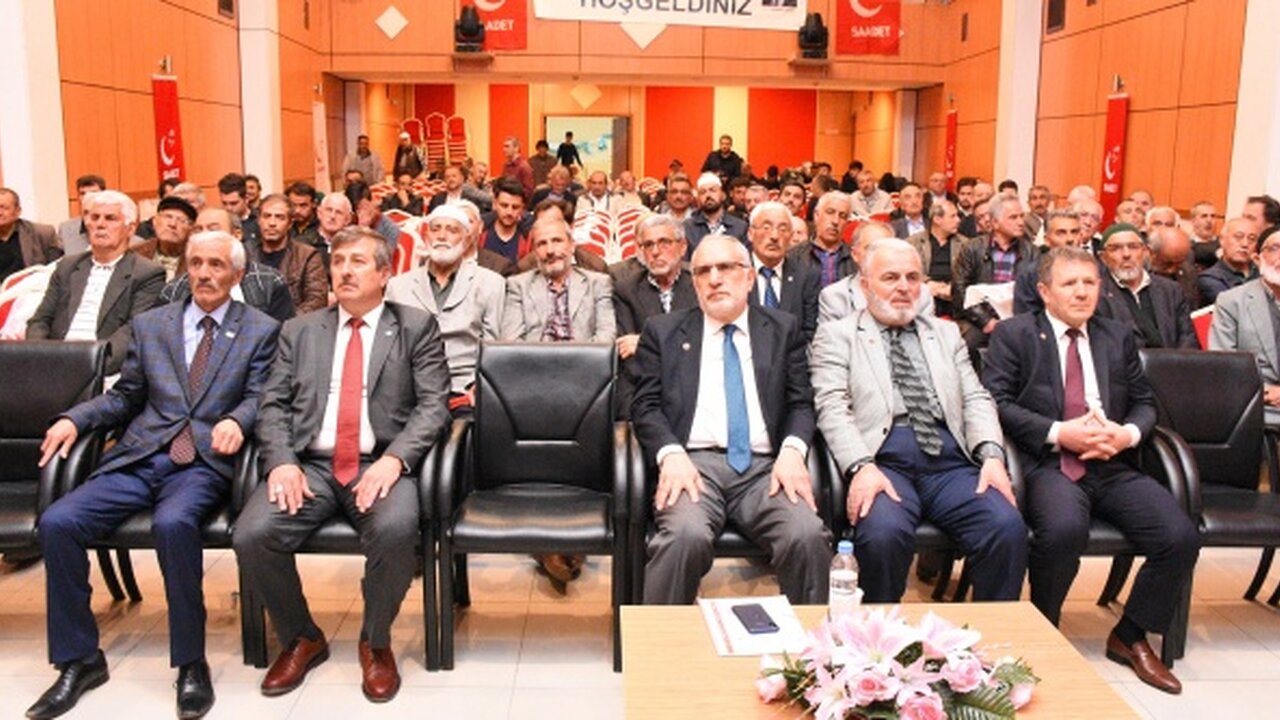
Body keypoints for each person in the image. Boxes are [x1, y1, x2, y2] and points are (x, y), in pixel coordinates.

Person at [28, 231, 279, 720]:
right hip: (141, 455)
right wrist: (75, 418)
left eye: (216, 265)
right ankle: (80, 659)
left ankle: (190, 662)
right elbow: (126, 396)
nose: (203, 274)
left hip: (202, 461)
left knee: (173, 525)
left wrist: (238, 419)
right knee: (59, 522)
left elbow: (261, 395)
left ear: (237, 275)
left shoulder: (261, 329)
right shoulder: (151, 324)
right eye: (195, 263)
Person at [234, 226, 451, 703]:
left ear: (384, 273)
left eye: (358, 262)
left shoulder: (415, 326)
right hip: (309, 464)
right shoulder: (299, 330)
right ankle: (301, 636)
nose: (345, 271)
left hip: (378, 462)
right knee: (252, 534)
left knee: (396, 530)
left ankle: (375, 641)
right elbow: (272, 405)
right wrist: (281, 462)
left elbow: (434, 405)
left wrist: (395, 460)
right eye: (338, 261)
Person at [983, 246, 1200, 695]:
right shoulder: (1015, 334)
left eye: (1089, 283)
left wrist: (1127, 435)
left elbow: (1144, 402)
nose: (1082, 293)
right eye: (1070, 284)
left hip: (1112, 461)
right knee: (1063, 530)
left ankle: (1131, 634)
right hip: (1050, 462)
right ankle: (1045, 627)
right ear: (1045, 291)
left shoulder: (1116, 335)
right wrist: (1059, 432)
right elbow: (996, 402)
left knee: (1179, 536)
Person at [810, 238, 1025, 603]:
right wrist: (860, 466)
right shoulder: (838, 335)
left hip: (950, 462)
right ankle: (877, 635)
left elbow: (975, 397)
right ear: (865, 285)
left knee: (1005, 526)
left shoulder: (944, 332)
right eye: (890, 277)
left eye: (912, 277)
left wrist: (992, 455)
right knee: (882, 534)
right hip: (883, 460)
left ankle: (994, 632)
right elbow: (832, 407)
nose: (903, 287)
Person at [631, 235, 832, 604]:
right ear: (694, 283)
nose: (714, 278)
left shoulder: (782, 329)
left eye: (725, 267)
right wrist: (670, 453)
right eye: (703, 271)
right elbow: (644, 406)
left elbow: (801, 402)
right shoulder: (663, 331)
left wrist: (792, 451)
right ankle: (659, 640)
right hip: (693, 466)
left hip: (766, 470)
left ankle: (811, 639)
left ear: (750, 277)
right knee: (684, 537)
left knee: (806, 535)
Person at [27, 190, 165, 375]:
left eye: (110, 218)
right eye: (94, 217)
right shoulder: (68, 266)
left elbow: (134, 331)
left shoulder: (147, 273)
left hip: (102, 367)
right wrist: (38, 358)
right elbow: (41, 320)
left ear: (130, 229)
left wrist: (92, 367)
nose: (100, 224)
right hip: (54, 362)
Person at [385, 204, 505, 416]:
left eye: (452, 230)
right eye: (435, 229)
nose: (442, 236)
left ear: (466, 239)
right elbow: (390, 349)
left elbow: (494, 346)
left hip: (465, 391)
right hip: (411, 391)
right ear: (426, 236)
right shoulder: (398, 286)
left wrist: (481, 387)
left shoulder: (490, 283)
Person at [613, 214, 697, 419]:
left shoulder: (699, 285)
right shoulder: (626, 290)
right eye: (648, 245)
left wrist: (644, 342)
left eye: (664, 242)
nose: (656, 251)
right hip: (645, 391)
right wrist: (678, 346)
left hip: (694, 389)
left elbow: (703, 348)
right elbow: (628, 357)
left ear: (682, 247)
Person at [160, 208, 296, 323]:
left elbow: (283, 337)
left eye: (213, 229)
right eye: (198, 230)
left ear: (237, 235)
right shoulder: (175, 290)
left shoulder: (269, 281)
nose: (205, 236)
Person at [500, 214, 615, 343]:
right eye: (542, 244)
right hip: (532, 355)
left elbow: (606, 338)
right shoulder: (518, 286)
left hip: (584, 355)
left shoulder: (598, 284)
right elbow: (511, 341)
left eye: (557, 241)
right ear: (535, 252)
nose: (550, 251)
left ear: (572, 245)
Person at [1209, 225, 1280, 424]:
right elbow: (1223, 367)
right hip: (1258, 406)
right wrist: (1267, 392)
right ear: (1257, 258)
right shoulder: (1232, 301)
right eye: (1274, 249)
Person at [1095, 224, 1198, 349]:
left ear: (1145, 252)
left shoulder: (1171, 290)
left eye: (1133, 247)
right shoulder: (1097, 294)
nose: (1126, 254)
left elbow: (1187, 337)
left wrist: (1175, 361)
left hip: (1171, 359)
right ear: (1103, 258)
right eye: (1115, 248)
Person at [819, 221, 934, 324]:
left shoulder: (922, 294)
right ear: (854, 254)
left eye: (886, 249)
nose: (878, 255)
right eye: (870, 248)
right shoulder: (835, 297)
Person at [747, 201, 819, 342]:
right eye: (766, 227)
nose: (774, 236)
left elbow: (810, 332)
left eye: (782, 229)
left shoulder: (806, 275)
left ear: (790, 236)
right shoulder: (735, 273)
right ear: (750, 233)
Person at [247, 194, 328, 314]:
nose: (272, 223)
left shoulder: (307, 256)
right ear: (258, 220)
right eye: (267, 216)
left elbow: (317, 300)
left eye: (280, 217)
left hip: (293, 322)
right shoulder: (246, 253)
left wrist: (287, 321)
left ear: (290, 223)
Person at [907, 199, 965, 316]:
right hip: (923, 296)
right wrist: (927, 283)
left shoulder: (965, 244)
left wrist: (952, 288)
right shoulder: (913, 243)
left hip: (953, 298)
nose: (958, 220)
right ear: (937, 219)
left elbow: (968, 274)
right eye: (952, 216)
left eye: (957, 216)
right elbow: (907, 269)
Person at [787, 191, 855, 288]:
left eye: (842, 216)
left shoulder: (855, 259)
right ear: (816, 215)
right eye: (830, 212)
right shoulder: (793, 256)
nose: (835, 221)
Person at [0, 187, 62, 282]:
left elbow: (56, 271)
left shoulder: (42, 234)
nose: (0, 213)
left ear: (18, 211)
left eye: (5, 208)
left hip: (34, 288)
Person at [1197, 217, 1258, 307]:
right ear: (1222, 240)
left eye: (1251, 239)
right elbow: (1235, 307)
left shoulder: (1262, 272)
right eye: (1238, 237)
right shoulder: (1209, 278)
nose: (1245, 244)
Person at [683, 173, 749, 255]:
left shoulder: (740, 227)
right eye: (703, 192)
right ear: (698, 199)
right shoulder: (688, 228)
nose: (708, 195)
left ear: (723, 195)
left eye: (712, 190)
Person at [136, 196, 199, 281]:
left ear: (191, 229)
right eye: (168, 217)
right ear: (154, 221)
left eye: (181, 220)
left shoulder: (196, 257)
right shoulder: (136, 253)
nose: (172, 224)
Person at [56, 175, 105, 256]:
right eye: (83, 194)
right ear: (78, 197)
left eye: (93, 193)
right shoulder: (65, 229)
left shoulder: (116, 226)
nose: (87, 197)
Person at [501, 136, 535, 203]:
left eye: (507, 146)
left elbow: (528, 192)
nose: (504, 149)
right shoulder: (506, 165)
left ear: (516, 148)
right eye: (504, 146)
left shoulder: (524, 167)